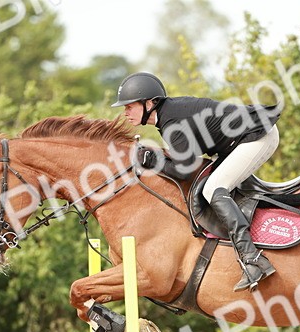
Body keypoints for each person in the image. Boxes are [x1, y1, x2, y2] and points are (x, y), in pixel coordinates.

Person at [112, 72, 280, 291]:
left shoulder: (171, 122)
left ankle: (252, 259)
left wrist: (152, 161)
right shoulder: (167, 117)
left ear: (150, 103)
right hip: (240, 141)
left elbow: (184, 170)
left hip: (257, 136)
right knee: (213, 184)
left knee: (213, 189)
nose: (126, 113)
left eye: (129, 107)